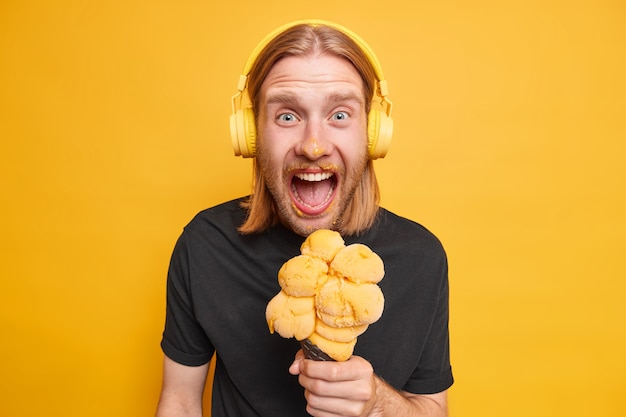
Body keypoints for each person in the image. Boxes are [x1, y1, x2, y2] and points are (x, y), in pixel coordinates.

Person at [155, 19, 453, 417]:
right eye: (287, 116)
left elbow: (433, 409)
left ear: (372, 133)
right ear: (252, 134)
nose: (313, 146)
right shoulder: (205, 244)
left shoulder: (422, 257)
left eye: (340, 115)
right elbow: (180, 401)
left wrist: (378, 403)